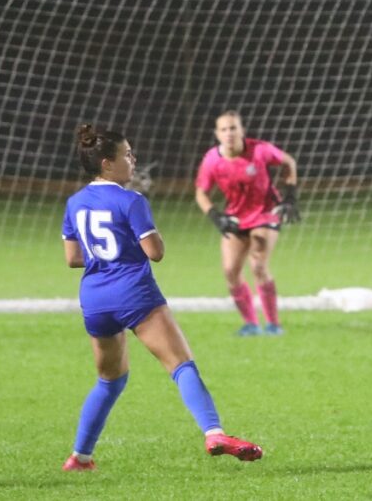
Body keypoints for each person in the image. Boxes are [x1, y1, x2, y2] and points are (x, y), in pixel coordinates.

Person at [61, 124, 262, 470]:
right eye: (126, 154)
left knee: (110, 380)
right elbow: (155, 251)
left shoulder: (75, 202)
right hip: (134, 294)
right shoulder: (131, 200)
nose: (132, 159)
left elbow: (73, 258)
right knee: (182, 366)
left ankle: (80, 456)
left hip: (95, 300)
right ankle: (214, 432)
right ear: (107, 164)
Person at [195, 110, 300, 336]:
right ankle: (251, 324)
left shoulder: (260, 150)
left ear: (242, 130)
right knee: (230, 270)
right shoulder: (212, 160)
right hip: (236, 216)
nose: (229, 133)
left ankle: (273, 324)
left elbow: (288, 161)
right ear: (217, 134)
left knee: (258, 265)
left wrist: (290, 196)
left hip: (266, 212)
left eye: (233, 128)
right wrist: (216, 216)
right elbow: (201, 193)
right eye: (224, 129)